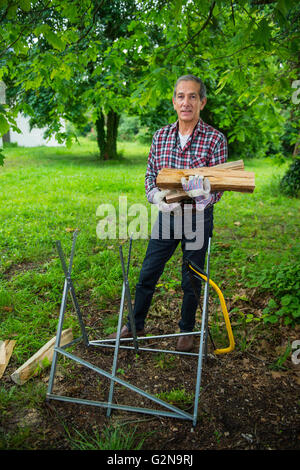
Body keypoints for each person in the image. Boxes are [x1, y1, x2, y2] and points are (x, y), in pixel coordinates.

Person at [110, 74, 228, 351]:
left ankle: (186, 330)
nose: (186, 102)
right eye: (180, 96)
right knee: (148, 272)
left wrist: (203, 197)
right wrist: (157, 197)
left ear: (202, 102)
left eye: (192, 97)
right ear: (174, 101)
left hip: (198, 220)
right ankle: (135, 325)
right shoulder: (161, 136)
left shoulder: (215, 139)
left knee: (192, 276)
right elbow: (151, 175)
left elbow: (220, 187)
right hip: (168, 217)